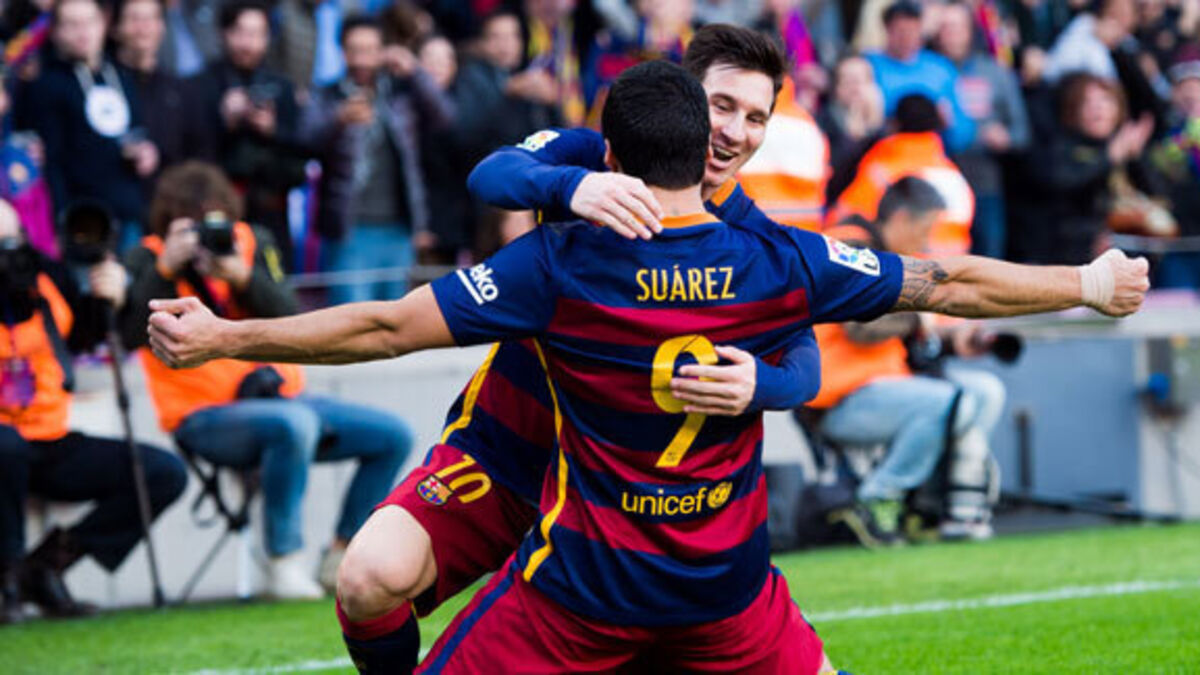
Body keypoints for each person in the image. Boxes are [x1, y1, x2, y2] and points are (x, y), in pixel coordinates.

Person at [148, 63, 1150, 674]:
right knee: (372, 576)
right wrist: (1084, 280)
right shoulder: (753, 247)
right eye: (726, 109)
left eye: (756, 117)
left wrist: (762, 385)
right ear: (693, 113)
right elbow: (943, 282)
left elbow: (385, 328)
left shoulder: (589, 259)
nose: (738, 132)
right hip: (536, 469)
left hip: (604, 546)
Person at [119, 162, 412, 599]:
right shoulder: (147, 256)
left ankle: (342, 553)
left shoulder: (252, 242)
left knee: (392, 435)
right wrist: (165, 269)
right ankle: (283, 560)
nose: (206, 238)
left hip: (284, 398)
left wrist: (240, 276)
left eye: (213, 224)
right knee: (294, 426)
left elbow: (291, 315)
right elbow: (127, 335)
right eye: (193, 228)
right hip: (202, 414)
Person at [0, 199, 186, 624]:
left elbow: (84, 339)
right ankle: (6, 578)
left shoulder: (43, 277)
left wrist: (113, 298)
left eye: (12, 242)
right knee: (6, 448)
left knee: (161, 473)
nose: (8, 256)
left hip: (49, 438)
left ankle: (44, 567)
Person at [812, 177, 1006, 544]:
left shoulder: (887, 256)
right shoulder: (848, 247)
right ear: (901, 218)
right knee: (947, 402)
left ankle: (953, 507)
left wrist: (952, 341)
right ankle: (879, 497)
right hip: (837, 399)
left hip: (884, 388)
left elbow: (901, 331)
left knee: (986, 391)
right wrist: (919, 320)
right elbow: (860, 327)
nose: (927, 241)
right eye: (925, 228)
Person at [299, 16, 454, 304]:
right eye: (354, 50)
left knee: (396, 315)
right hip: (348, 227)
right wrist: (338, 120)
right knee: (349, 315)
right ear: (342, 51)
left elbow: (445, 117)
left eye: (369, 50)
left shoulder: (399, 91)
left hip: (399, 226)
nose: (361, 59)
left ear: (382, 51)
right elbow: (304, 141)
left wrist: (415, 71)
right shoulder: (328, 95)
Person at [17, 0, 159, 252]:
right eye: (72, 24)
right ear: (55, 31)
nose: (83, 32)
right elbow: (51, 163)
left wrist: (146, 152)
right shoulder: (46, 86)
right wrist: (59, 221)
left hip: (129, 211)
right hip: (81, 220)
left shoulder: (120, 75)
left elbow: (137, 132)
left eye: (89, 22)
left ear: (103, 24)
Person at [191, 0, 307, 270]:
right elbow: (191, 157)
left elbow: (301, 161)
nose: (247, 43)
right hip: (217, 214)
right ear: (224, 33)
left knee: (275, 285)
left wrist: (273, 130)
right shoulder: (201, 85)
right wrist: (224, 120)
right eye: (240, 32)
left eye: (256, 34)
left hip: (271, 214)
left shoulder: (282, 88)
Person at [933, 1, 1031, 259]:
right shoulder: (927, 70)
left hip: (985, 181)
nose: (950, 35)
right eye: (945, 28)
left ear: (971, 31)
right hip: (938, 180)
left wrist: (1006, 138)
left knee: (989, 258)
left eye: (957, 28)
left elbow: (1022, 133)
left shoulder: (995, 73)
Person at [827, 93, 976, 257]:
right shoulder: (953, 174)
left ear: (894, 124)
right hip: (955, 267)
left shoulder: (883, 168)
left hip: (904, 266)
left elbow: (844, 219)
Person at [112, 0, 209, 178]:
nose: (143, 28)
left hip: (172, 189)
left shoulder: (182, 90)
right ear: (116, 28)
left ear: (162, 27)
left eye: (151, 18)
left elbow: (199, 153)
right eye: (134, 19)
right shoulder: (102, 86)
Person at [864, 0, 975, 154]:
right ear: (887, 29)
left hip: (933, 154)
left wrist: (949, 123)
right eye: (900, 31)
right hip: (884, 153)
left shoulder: (941, 68)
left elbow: (963, 130)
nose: (906, 37)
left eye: (912, 30)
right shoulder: (869, 66)